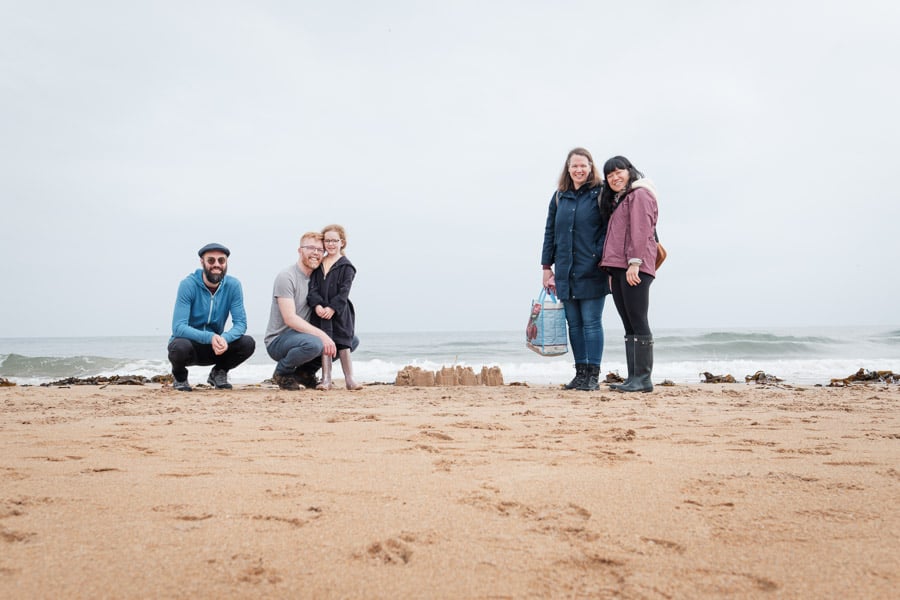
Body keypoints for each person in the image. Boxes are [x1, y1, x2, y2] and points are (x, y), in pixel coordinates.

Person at [541, 147, 610, 391]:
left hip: (593, 268)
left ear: (591, 167)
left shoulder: (601, 194)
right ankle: (580, 373)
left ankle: (593, 374)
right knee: (574, 323)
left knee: (591, 322)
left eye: (583, 165)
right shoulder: (560, 196)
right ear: (568, 169)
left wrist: (598, 255)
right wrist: (547, 267)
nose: (579, 170)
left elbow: (608, 230)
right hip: (565, 270)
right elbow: (550, 231)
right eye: (574, 166)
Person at [264, 232, 359, 390]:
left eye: (320, 250)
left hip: (305, 338)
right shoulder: (287, 277)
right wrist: (323, 336)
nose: (316, 253)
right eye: (311, 248)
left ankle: (305, 374)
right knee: (317, 343)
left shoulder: (319, 278)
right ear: (300, 250)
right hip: (279, 340)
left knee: (350, 340)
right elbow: (290, 319)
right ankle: (282, 373)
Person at [600, 156, 659, 393]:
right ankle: (634, 378)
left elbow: (641, 230)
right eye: (610, 174)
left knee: (638, 319)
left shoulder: (640, 194)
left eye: (619, 171)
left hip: (635, 267)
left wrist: (635, 262)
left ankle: (643, 379)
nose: (615, 177)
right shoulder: (621, 200)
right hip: (620, 270)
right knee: (629, 324)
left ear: (629, 171)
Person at [167, 243, 256, 391]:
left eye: (221, 260)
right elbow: (178, 327)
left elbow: (240, 324)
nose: (216, 265)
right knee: (178, 347)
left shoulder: (233, 286)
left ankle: (219, 372)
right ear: (202, 262)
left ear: (226, 263)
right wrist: (209, 337)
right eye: (211, 260)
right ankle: (180, 377)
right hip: (190, 347)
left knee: (248, 343)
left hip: (216, 348)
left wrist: (224, 339)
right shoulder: (188, 285)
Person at [307, 224, 362, 390]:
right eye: (327, 241)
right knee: (326, 343)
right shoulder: (319, 264)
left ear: (342, 242)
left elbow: (344, 291)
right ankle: (326, 379)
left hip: (340, 312)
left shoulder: (347, 266)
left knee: (343, 343)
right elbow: (312, 288)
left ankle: (350, 379)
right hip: (320, 312)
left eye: (334, 241)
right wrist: (316, 305)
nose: (330, 244)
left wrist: (332, 308)